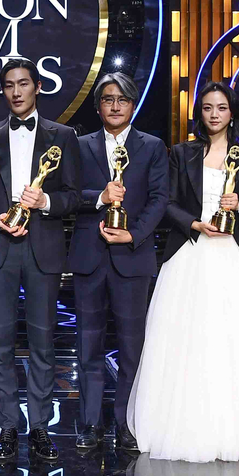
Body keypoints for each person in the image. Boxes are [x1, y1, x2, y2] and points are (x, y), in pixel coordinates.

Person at [127, 81, 239, 462]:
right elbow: (168, 203)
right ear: (200, 113)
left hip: (234, 254)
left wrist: (238, 204)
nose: (214, 114)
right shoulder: (181, 153)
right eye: (207, 108)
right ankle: (184, 424)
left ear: (232, 113)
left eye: (221, 108)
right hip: (191, 252)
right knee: (188, 338)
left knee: (238, 339)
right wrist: (194, 224)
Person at [0, 57, 79, 462]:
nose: (17, 91)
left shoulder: (62, 135)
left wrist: (46, 200)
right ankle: (8, 427)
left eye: (24, 84)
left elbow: (73, 196)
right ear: (3, 91)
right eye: (10, 85)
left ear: (37, 87)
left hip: (42, 249)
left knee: (43, 343)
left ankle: (41, 427)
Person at [69, 72, 169, 454]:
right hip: (89, 256)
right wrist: (100, 197)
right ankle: (89, 423)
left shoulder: (153, 146)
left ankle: (126, 423)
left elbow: (160, 198)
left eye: (122, 100)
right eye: (108, 99)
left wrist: (134, 233)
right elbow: (67, 193)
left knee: (132, 347)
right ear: (98, 106)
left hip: (133, 256)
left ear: (132, 105)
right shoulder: (78, 146)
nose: (114, 106)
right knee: (88, 345)